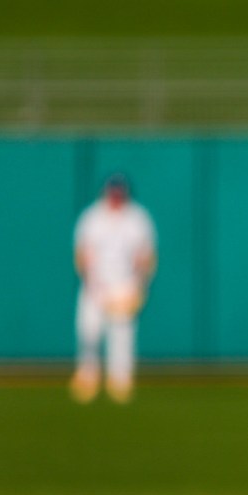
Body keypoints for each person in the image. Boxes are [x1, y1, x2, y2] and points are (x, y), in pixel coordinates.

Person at [70, 173, 157, 404]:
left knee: (121, 335)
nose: (116, 198)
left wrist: (139, 285)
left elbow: (146, 255)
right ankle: (88, 377)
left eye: (120, 194)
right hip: (96, 284)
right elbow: (81, 252)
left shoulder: (137, 217)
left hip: (123, 284)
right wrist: (90, 281)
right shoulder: (92, 217)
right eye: (112, 193)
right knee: (88, 331)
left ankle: (120, 381)